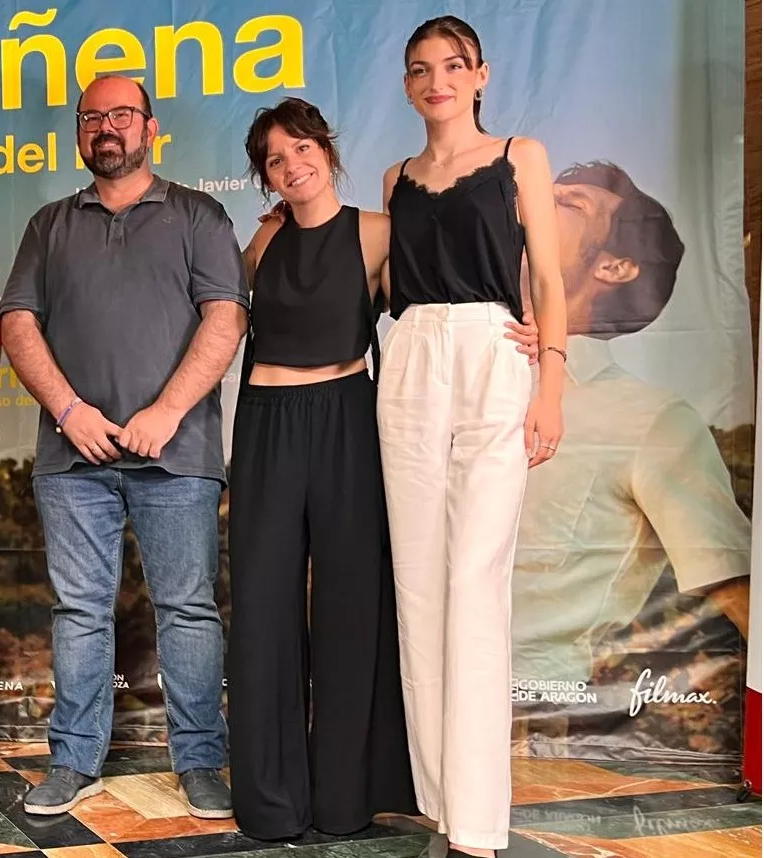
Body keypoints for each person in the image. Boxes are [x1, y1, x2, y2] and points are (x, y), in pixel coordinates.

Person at [232, 97, 538, 841]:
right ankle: (270, 801)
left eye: (300, 148)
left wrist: (525, 327)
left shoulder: (377, 233)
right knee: (263, 612)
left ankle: (344, 797)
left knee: (349, 607)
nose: (291, 165)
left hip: (346, 422)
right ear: (265, 177)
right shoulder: (259, 245)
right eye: (274, 159)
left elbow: (443, 292)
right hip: (266, 426)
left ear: (326, 151)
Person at [0, 73, 244, 820]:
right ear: (80, 132)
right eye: (91, 117)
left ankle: (201, 760)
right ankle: (73, 760)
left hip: (177, 455)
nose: (105, 128)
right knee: (78, 611)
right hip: (73, 461)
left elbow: (225, 318)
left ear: (150, 127)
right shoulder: (48, 224)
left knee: (187, 609)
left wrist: (166, 412)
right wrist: (69, 410)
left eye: (120, 115)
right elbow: (16, 325)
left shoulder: (198, 214)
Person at [378, 16, 567, 858]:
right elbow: (373, 280)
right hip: (410, 356)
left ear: (480, 75)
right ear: (408, 84)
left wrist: (550, 383)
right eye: (420, 69)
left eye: (452, 66)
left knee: (474, 581)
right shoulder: (394, 178)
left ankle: (480, 823)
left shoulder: (520, 155)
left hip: (494, 354)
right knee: (418, 585)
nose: (436, 81)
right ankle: (440, 795)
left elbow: (550, 280)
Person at [513, 161, 750, 735]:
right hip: (401, 700)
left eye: (570, 206)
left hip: (528, 726)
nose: (539, 201)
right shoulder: (443, 371)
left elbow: (735, 588)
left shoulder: (650, 421)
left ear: (614, 266)